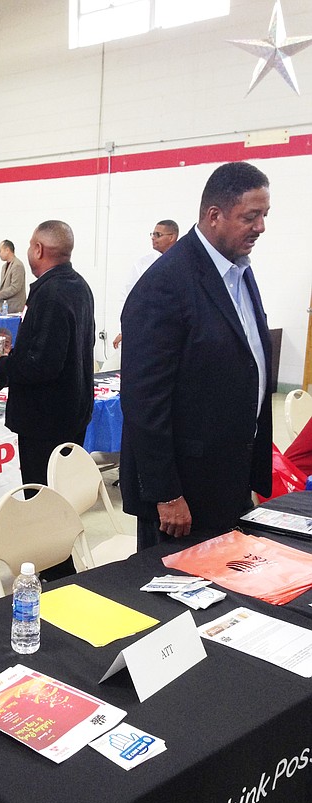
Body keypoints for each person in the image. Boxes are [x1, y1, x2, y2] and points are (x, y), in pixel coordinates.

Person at [120, 162, 272, 551]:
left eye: (264, 216)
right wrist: (166, 493)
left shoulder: (238, 271)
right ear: (214, 216)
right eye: (250, 217)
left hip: (229, 476)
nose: (260, 228)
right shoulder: (165, 284)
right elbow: (143, 400)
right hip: (184, 494)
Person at [0, 220, 95, 487]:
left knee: (43, 496)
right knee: (63, 492)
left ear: (38, 249)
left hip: (46, 421)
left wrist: (2, 364)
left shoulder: (50, 293)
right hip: (71, 412)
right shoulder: (79, 286)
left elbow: (42, 365)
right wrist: (22, 350)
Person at [113, 220, 178, 348]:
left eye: (158, 235)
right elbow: (128, 298)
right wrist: (126, 330)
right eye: (152, 234)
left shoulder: (184, 264)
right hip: (145, 333)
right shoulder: (143, 265)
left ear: (172, 237)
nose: (153, 238)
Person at [0, 240, 26, 313]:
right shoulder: (4, 266)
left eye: (0, 250)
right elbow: (3, 285)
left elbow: (15, 287)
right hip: (5, 308)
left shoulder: (17, 265)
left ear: (7, 250)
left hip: (15, 309)